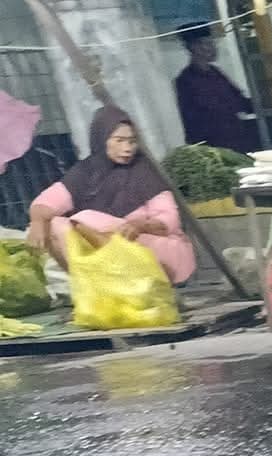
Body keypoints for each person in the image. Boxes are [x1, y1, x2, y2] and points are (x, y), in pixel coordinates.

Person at [27, 107, 195, 285]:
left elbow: (170, 219)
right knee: (53, 225)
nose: (127, 148)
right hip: (111, 256)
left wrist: (140, 225)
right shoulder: (86, 171)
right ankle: (97, 287)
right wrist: (38, 222)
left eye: (132, 141)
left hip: (157, 253)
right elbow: (46, 202)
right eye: (119, 140)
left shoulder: (146, 172)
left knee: (85, 220)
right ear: (101, 140)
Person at [174, 29, 256, 153]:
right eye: (207, 44)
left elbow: (239, 100)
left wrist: (262, 104)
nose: (213, 48)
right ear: (194, 47)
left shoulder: (216, 73)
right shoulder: (186, 81)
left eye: (212, 43)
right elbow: (192, 120)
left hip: (236, 139)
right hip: (214, 146)